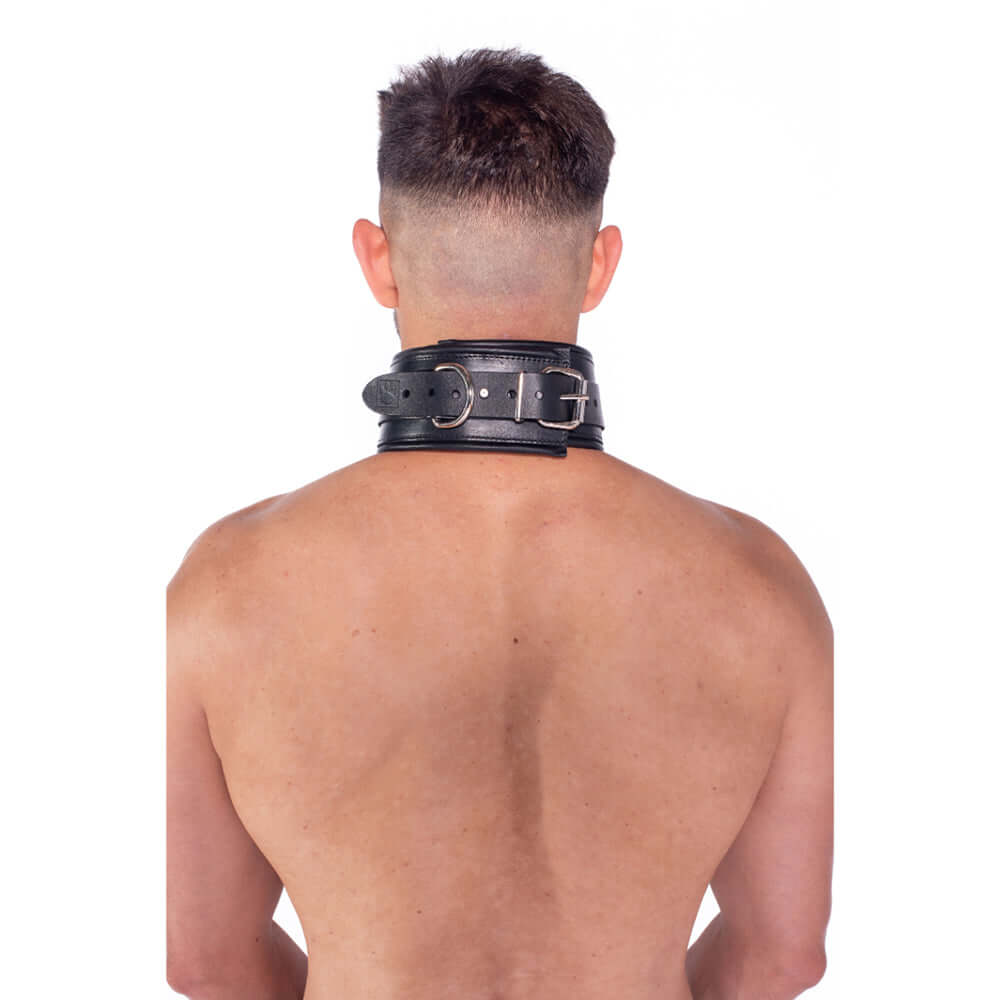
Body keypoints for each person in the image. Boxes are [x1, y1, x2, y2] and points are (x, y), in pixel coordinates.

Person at [166, 47, 833, 1000]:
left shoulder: (228, 583)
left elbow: (204, 959)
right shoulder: (759, 583)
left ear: (377, 258)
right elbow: (783, 955)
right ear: (600, 264)